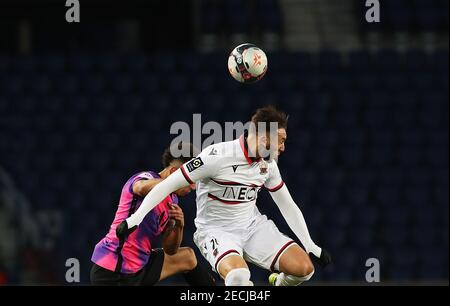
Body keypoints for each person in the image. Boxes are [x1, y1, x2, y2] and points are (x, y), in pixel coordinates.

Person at [117, 106, 331, 286]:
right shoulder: (216, 156)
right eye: (281, 141)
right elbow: (167, 185)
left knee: (304, 270)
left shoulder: (268, 165)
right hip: (216, 231)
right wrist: (135, 218)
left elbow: (287, 204)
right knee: (239, 277)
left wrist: (310, 244)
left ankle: (277, 282)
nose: (283, 148)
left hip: (252, 227)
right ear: (265, 138)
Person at [90, 142, 215, 286]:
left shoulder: (173, 200)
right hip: (113, 268)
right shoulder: (145, 177)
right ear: (175, 173)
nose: (193, 187)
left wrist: (178, 226)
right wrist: (172, 183)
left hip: (141, 267)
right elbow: (139, 188)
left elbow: (170, 250)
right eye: (191, 181)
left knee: (187, 257)